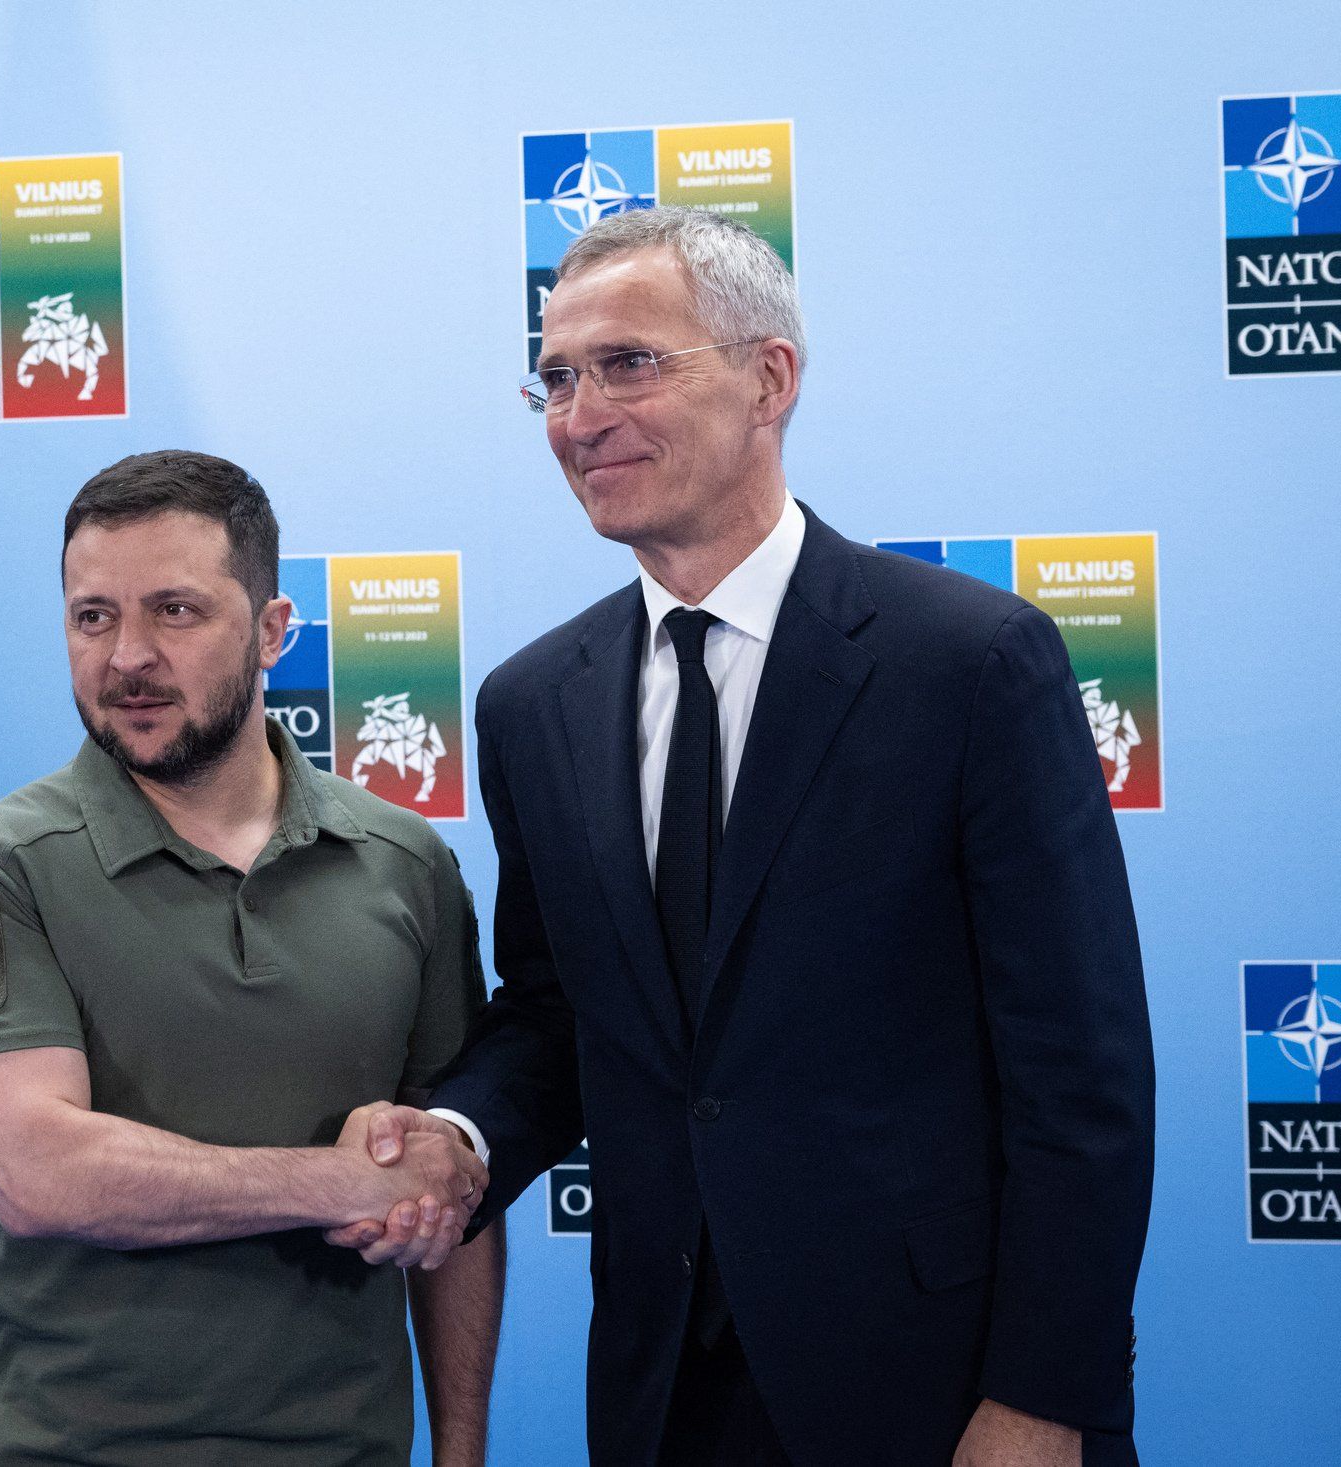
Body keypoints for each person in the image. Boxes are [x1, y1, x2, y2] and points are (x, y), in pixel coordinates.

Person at [331, 208, 1155, 1466]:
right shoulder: (529, 704)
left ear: (769, 379)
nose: (578, 415)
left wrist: (1047, 1398)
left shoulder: (969, 663)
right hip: (664, 1394)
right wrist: (460, 1138)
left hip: (937, 1394)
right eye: (555, 379)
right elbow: (563, 1015)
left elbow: (1081, 1077)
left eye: (628, 364)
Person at [0, 450, 506, 1467]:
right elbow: (34, 1172)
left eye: (175, 612)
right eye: (92, 616)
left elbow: (451, 1190)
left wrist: (460, 1451)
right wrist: (343, 1183)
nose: (127, 657)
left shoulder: (407, 865)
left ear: (274, 630)